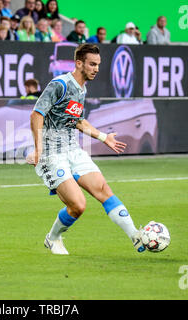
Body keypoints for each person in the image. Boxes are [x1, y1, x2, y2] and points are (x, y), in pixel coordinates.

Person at [27, 43, 145, 255]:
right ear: (79, 63)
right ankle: (53, 238)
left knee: (104, 191)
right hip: (52, 153)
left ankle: (135, 236)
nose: (96, 69)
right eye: (92, 64)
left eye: (98, 64)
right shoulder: (60, 84)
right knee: (78, 206)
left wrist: (103, 137)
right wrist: (38, 150)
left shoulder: (82, 89)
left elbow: (78, 121)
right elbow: (36, 114)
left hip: (73, 150)